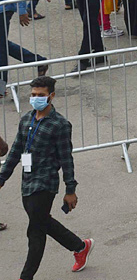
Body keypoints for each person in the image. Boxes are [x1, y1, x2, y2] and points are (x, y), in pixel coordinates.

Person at [0, 75, 93, 279]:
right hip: (27, 182)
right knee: (42, 222)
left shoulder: (60, 125)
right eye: (33, 95)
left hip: (46, 183)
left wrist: (70, 190)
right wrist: (2, 177)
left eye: (40, 95)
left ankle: (26, 276)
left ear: (51, 96)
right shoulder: (26, 120)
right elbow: (16, 151)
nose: (35, 99)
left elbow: (66, 158)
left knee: (35, 230)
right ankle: (80, 247)